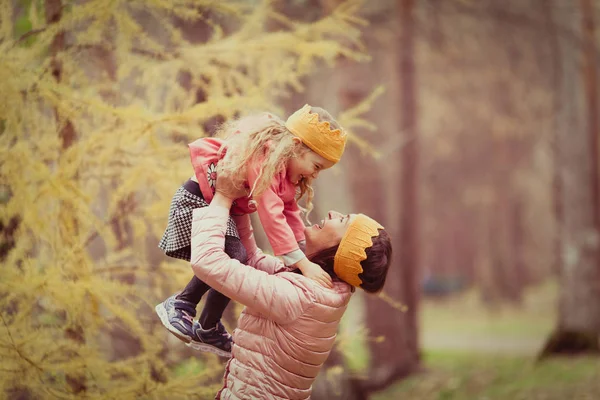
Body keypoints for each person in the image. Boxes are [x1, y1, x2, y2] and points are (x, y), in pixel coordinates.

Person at [155, 104, 347, 357]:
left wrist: (303, 253)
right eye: (317, 166)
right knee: (234, 258)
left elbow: (289, 212)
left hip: (219, 211)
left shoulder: (286, 175)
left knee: (239, 260)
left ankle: (208, 327)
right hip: (196, 203)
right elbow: (271, 215)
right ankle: (182, 303)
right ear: (297, 146)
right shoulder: (265, 158)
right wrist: (303, 263)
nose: (316, 175)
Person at [188, 168, 392, 399]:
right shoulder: (314, 286)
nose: (334, 213)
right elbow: (251, 258)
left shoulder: (303, 297)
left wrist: (223, 197)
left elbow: (208, 262)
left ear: (341, 252)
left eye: (343, 220)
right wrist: (240, 203)